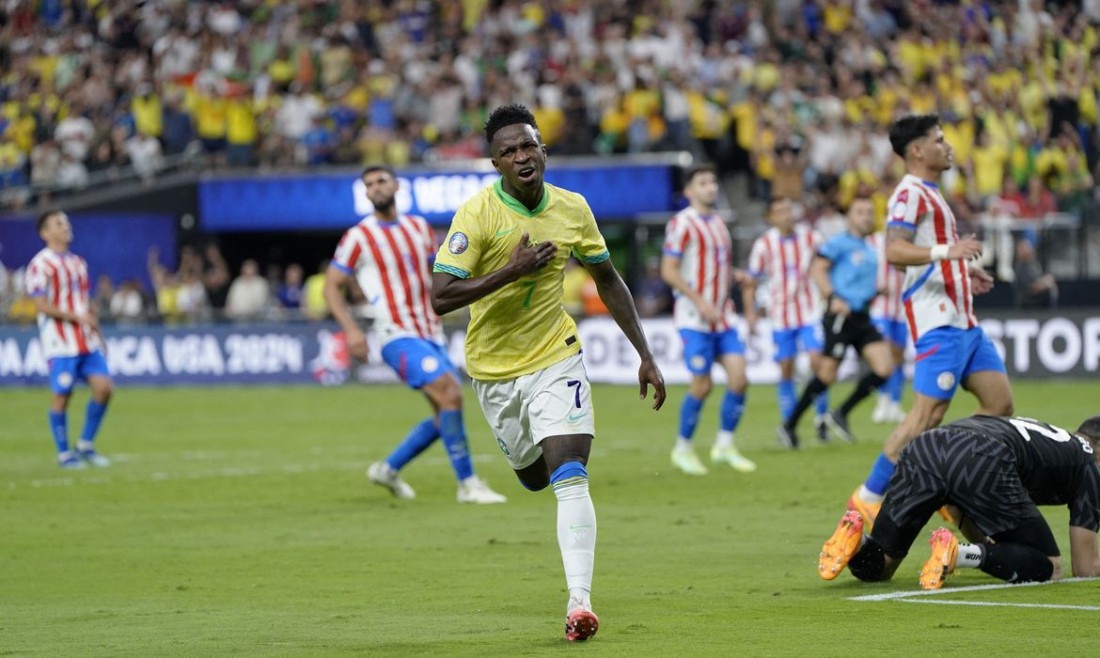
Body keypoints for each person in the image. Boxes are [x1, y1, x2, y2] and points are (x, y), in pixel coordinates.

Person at [431, 104, 666, 642]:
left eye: (528, 145)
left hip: (556, 355)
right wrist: (510, 270)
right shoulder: (476, 215)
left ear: (544, 151)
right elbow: (441, 297)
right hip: (493, 369)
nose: (521, 156)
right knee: (533, 476)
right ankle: (532, 467)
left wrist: (644, 354)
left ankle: (579, 602)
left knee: (569, 473)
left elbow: (607, 279)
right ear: (496, 163)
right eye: (509, 150)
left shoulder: (572, 208)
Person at [848, 114, 1014, 529]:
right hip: (938, 323)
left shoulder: (933, 194)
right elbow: (895, 250)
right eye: (939, 140)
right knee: (924, 418)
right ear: (917, 150)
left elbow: (930, 253)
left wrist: (962, 272)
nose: (949, 145)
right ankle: (866, 498)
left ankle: (945, 473)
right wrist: (946, 254)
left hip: (966, 322)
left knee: (1000, 407)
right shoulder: (909, 194)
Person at [323, 165, 507, 506]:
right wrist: (350, 330)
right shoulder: (359, 237)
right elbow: (331, 285)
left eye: (381, 181)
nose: (376, 188)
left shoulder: (420, 228)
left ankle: (388, 469)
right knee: (451, 392)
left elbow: (438, 273)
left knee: (444, 413)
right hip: (396, 334)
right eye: (369, 185)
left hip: (430, 332)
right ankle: (468, 484)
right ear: (365, 194)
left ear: (395, 185)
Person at [818, 415, 1100, 590]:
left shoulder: (1053, 441)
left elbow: (963, 506)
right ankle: (960, 554)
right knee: (1050, 566)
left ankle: (857, 543)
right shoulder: (1089, 463)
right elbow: (1084, 570)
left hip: (925, 446)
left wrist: (993, 552)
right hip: (981, 455)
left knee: (881, 564)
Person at [660, 164, 755, 474]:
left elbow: (717, 267)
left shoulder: (719, 223)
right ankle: (682, 449)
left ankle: (724, 445)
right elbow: (669, 270)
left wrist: (735, 275)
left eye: (713, 182)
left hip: (722, 317)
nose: (711, 187)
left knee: (739, 379)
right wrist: (699, 300)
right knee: (702, 385)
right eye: (703, 183)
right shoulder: (681, 224)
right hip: (693, 318)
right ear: (689, 191)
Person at [778, 196, 895, 446]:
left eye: (869, 212)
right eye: (860, 211)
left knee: (884, 368)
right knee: (827, 374)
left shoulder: (869, 247)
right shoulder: (839, 243)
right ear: (850, 216)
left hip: (862, 316)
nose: (866, 216)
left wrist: (876, 292)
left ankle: (840, 413)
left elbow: (856, 281)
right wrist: (832, 297)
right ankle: (789, 426)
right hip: (840, 316)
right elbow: (817, 269)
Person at [25, 210, 113, 468]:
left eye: (66, 222)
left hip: (85, 339)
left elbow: (84, 303)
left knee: (105, 388)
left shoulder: (78, 263)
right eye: (58, 223)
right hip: (60, 342)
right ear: (45, 233)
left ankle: (85, 444)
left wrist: (96, 331)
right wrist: (76, 316)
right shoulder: (40, 265)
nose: (66, 227)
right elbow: (41, 305)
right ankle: (64, 454)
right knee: (63, 395)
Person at [742, 197, 829, 444]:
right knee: (786, 368)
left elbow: (827, 265)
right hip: (780, 315)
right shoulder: (764, 244)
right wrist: (750, 312)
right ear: (771, 217)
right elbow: (752, 281)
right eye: (779, 211)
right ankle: (789, 426)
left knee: (818, 362)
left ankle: (821, 420)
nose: (786, 215)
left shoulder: (811, 237)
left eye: (788, 209)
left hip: (810, 311)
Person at [868, 227, 907, 424]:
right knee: (885, 354)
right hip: (880, 308)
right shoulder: (874, 242)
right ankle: (882, 400)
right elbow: (863, 268)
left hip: (901, 309)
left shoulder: (910, 242)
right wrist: (873, 288)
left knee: (899, 356)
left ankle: (895, 402)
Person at [1012, 237, 1058, 309]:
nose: (1030, 251)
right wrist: (1046, 284)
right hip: (1029, 308)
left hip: (1042, 306)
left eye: (1029, 247)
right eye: (1026, 249)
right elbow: (1032, 288)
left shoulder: (1034, 265)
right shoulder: (1020, 268)